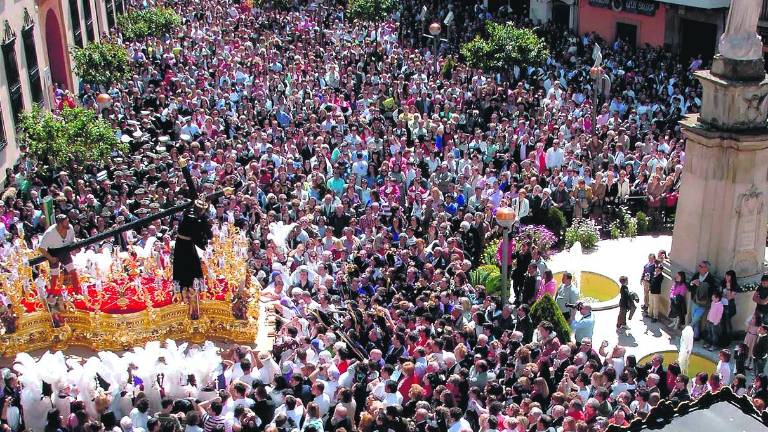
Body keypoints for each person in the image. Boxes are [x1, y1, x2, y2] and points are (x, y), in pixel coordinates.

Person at [172, 160, 214, 320]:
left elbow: (191, 189)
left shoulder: (188, 212)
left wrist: (183, 167)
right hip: (188, 245)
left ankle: (182, 290)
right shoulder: (196, 220)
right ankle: (196, 291)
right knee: (194, 269)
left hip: (180, 243)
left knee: (180, 269)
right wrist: (206, 238)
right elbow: (203, 238)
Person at [38, 214, 81, 296]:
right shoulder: (49, 233)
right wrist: (50, 258)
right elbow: (41, 248)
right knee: (54, 276)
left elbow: (72, 240)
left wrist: (76, 247)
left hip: (65, 252)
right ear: (60, 224)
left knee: (73, 272)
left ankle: (77, 293)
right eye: (66, 222)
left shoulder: (70, 228)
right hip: (54, 253)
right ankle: (51, 294)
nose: (68, 224)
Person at [689, 260, 718, 339]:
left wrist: (703, 286)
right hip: (694, 301)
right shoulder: (696, 275)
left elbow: (713, 291)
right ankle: (695, 336)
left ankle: (687, 329)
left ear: (706, 269)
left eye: (701, 266)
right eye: (699, 266)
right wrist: (693, 283)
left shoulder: (710, 279)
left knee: (695, 319)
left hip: (703, 303)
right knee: (696, 319)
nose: (699, 268)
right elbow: (689, 287)